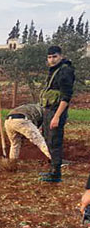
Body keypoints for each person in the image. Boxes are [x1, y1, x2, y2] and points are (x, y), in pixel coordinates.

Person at [39, 46, 75, 183]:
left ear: (60, 56)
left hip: (56, 111)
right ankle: (52, 169)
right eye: (49, 57)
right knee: (48, 138)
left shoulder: (65, 71)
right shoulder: (54, 70)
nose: (52, 60)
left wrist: (57, 116)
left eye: (54, 57)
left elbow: (66, 97)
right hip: (49, 109)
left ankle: (56, 174)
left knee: (55, 141)